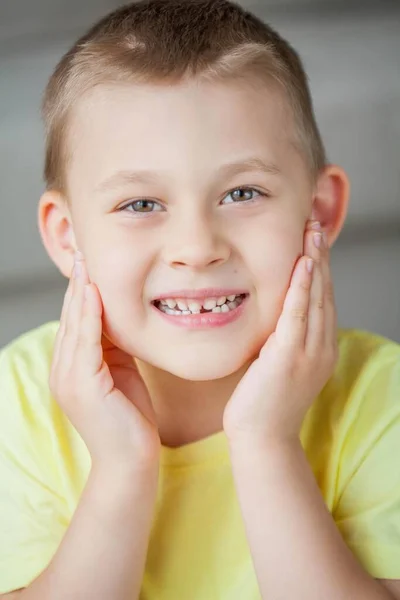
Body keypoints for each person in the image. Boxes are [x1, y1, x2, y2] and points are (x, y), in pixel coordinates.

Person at [0, 0, 399, 598]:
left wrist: (267, 442)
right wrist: (119, 470)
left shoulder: (381, 398)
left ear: (318, 211)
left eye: (242, 192)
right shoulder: (20, 402)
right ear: (68, 234)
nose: (195, 248)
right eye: (141, 204)